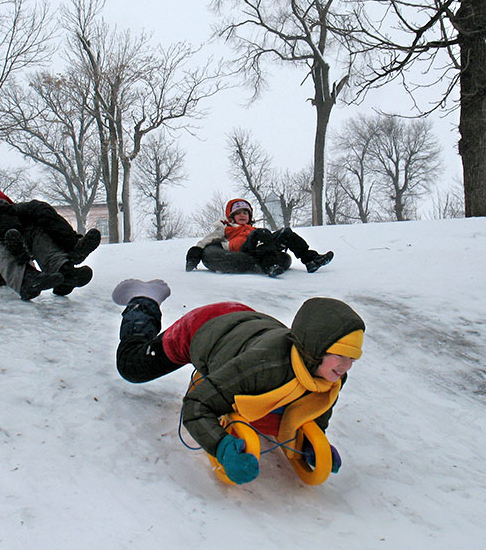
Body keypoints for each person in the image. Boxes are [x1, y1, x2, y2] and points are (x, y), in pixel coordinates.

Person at [111, 278, 364, 485]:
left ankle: (222, 373)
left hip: (249, 325)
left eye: (353, 357)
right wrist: (220, 445)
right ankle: (144, 299)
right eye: (340, 355)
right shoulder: (262, 366)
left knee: (241, 381)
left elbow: (315, 411)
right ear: (314, 349)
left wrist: (310, 441)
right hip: (207, 325)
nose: (346, 366)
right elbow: (196, 405)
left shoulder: (331, 376)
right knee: (131, 366)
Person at [185, 198, 334, 277]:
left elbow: (265, 238)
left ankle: (310, 260)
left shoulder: (254, 229)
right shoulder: (226, 229)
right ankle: (270, 266)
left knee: (285, 232)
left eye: (245, 212)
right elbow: (206, 241)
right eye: (238, 213)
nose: (242, 215)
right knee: (261, 233)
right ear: (231, 217)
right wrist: (194, 255)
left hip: (259, 245)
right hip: (242, 249)